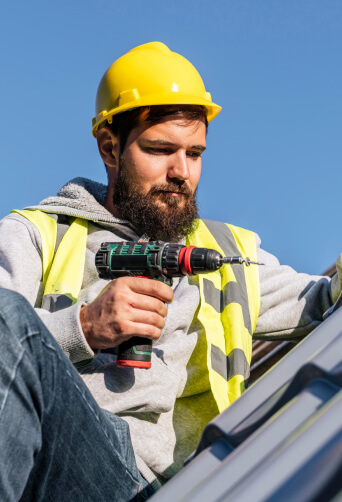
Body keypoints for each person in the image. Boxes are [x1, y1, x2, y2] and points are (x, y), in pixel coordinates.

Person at [0, 41, 341, 501]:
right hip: (54, 461)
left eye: (195, 154)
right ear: (109, 148)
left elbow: (325, 300)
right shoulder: (40, 234)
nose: (182, 171)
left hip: (161, 487)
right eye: (161, 149)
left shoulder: (225, 253)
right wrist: (81, 326)